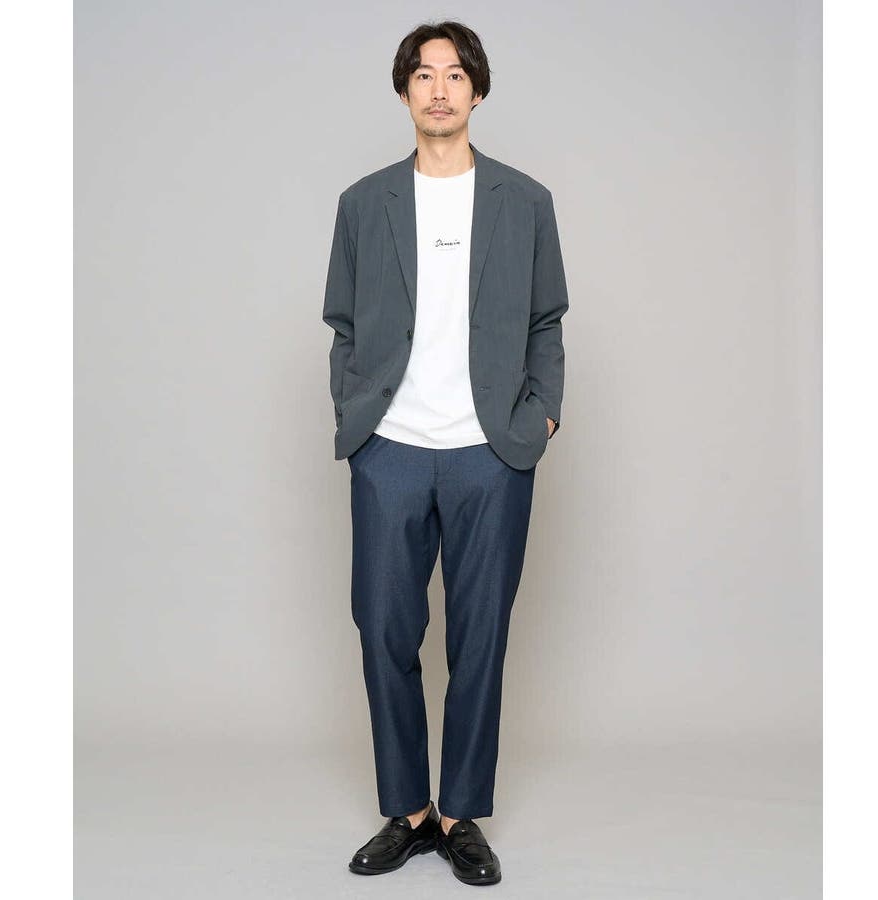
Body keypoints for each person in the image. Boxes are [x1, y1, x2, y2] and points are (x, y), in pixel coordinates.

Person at [322, 19, 568, 887]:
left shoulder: (524, 201)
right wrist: (354, 414)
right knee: (383, 628)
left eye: (455, 74)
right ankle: (409, 810)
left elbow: (546, 322)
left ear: (477, 91)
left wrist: (540, 419)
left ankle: (461, 813)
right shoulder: (364, 203)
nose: (439, 88)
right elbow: (343, 324)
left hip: (488, 453)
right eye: (424, 75)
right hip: (389, 448)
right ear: (404, 92)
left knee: (481, 638)